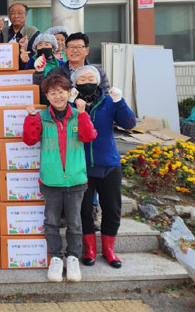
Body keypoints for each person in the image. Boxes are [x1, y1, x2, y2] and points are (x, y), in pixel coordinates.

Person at [22, 75, 97, 283]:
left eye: (61, 92)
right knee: (52, 222)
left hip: (76, 180)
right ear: (46, 96)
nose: (58, 96)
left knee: (74, 223)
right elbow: (29, 140)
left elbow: (89, 136)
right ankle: (55, 258)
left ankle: (72, 258)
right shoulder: (41, 118)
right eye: (52, 93)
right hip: (51, 180)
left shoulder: (78, 115)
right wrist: (30, 117)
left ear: (68, 93)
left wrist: (83, 114)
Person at [71, 66, 136, 269]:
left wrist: (119, 101)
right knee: (84, 210)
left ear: (98, 81)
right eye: (82, 79)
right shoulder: (71, 103)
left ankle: (109, 250)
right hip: (81, 166)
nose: (87, 82)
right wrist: (71, 104)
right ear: (75, 83)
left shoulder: (108, 101)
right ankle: (89, 250)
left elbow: (129, 123)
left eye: (90, 78)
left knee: (112, 209)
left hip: (109, 164)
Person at [37, 32, 110, 93]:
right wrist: (39, 72)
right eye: (71, 47)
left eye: (79, 47)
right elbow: (42, 92)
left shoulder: (98, 72)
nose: (75, 50)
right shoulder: (55, 73)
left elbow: (105, 96)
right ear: (65, 50)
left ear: (87, 50)